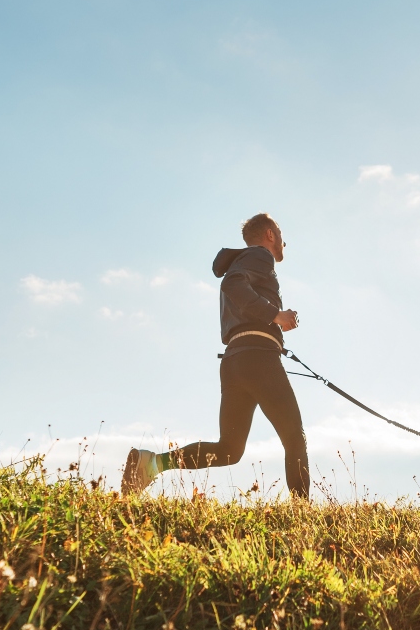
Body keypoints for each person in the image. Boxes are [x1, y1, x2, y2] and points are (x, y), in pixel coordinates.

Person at [121, 213, 310, 497]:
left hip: (236, 360)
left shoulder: (244, 260)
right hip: (258, 359)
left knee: (230, 450)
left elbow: (236, 288)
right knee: (294, 436)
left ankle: (152, 463)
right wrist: (276, 315)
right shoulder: (260, 256)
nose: (285, 241)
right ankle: (302, 515)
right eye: (281, 233)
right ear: (270, 234)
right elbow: (232, 284)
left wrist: (275, 321)